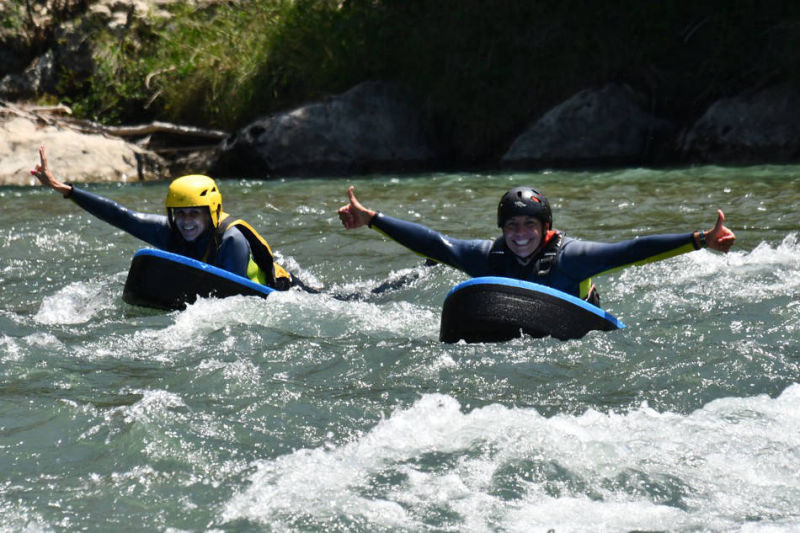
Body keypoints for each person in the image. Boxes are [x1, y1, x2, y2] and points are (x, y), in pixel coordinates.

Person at [338, 185, 736, 305]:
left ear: (546, 229)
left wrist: (699, 240)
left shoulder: (574, 258)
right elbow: (435, 244)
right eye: (512, 225)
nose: (520, 233)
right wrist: (373, 219)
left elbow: (632, 250)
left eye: (530, 224)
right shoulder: (487, 257)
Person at [31, 145, 296, 290]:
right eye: (180, 214)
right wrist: (66, 190)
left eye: (194, 213)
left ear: (211, 213)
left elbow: (235, 299)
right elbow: (121, 216)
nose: (186, 221)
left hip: (285, 293)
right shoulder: (169, 231)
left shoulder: (231, 240)